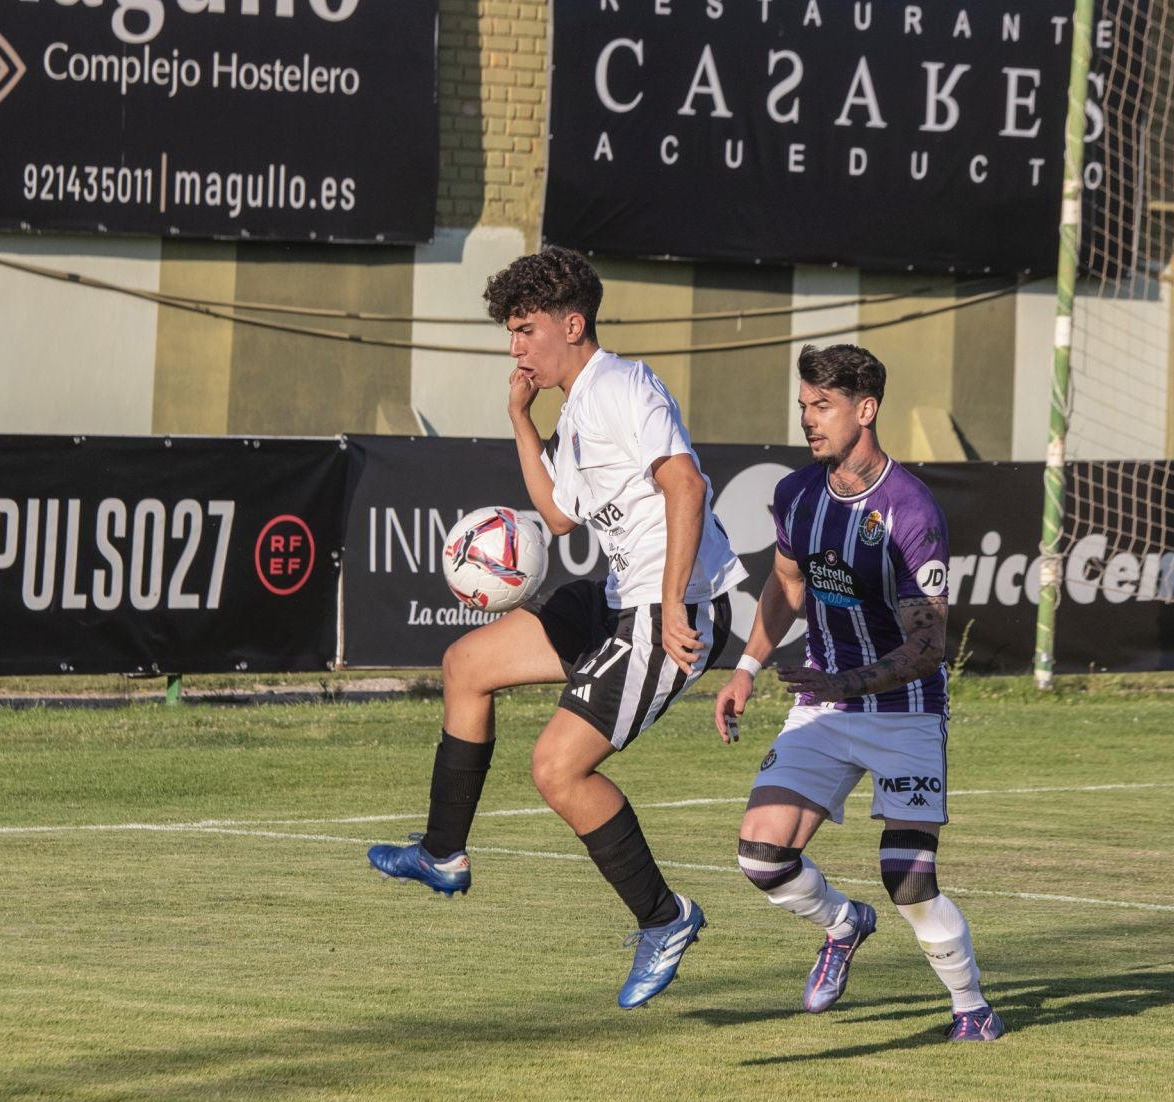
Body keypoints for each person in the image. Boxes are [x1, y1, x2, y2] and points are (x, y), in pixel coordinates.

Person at [368, 247, 746, 1009]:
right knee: (466, 665)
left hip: (670, 609)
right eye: (510, 332)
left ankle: (664, 918)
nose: (515, 347)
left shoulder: (621, 384)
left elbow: (686, 482)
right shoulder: (575, 407)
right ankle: (444, 853)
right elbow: (558, 514)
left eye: (526, 329)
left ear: (573, 325)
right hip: (619, 595)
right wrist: (519, 417)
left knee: (557, 769)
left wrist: (673, 603)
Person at [712, 343, 1004, 1041]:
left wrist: (844, 681)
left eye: (824, 406)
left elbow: (929, 645)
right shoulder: (797, 494)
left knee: (906, 876)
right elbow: (786, 587)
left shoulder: (910, 513)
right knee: (760, 855)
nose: (809, 420)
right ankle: (843, 925)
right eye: (804, 405)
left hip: (904, 712)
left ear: (865, 409)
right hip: (824, 703)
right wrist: (747, 668)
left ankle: (973, 1011)